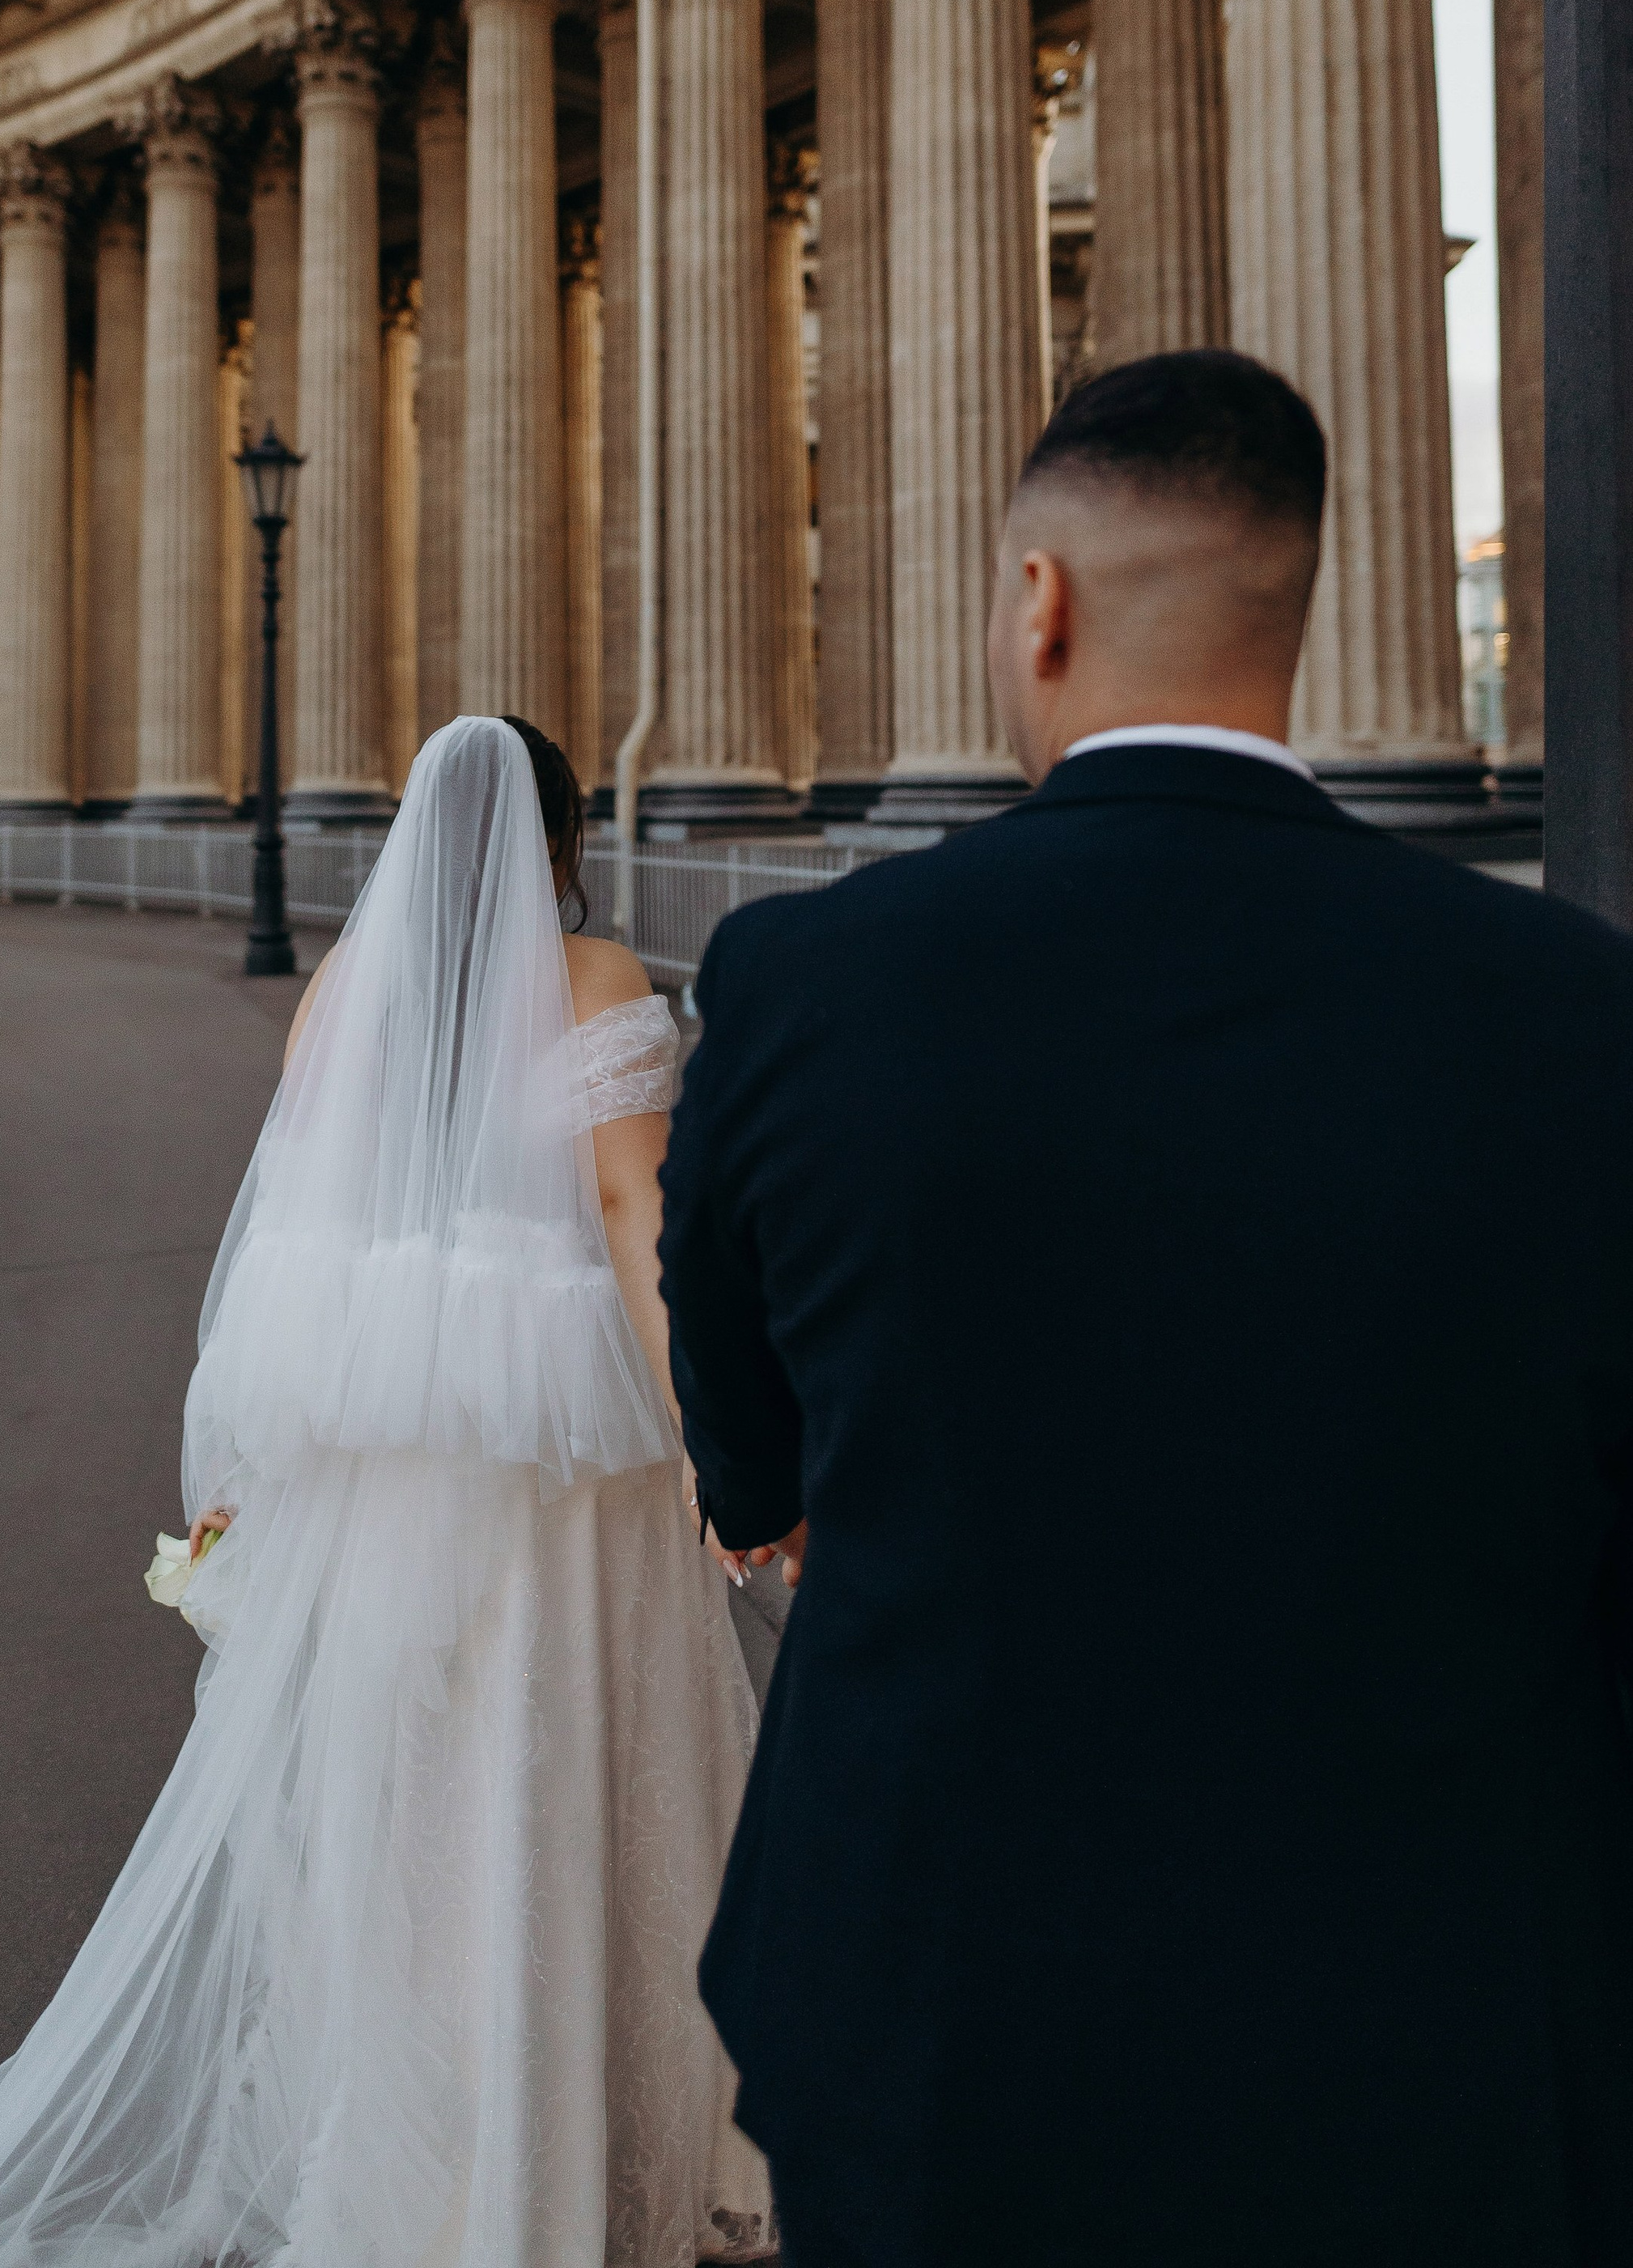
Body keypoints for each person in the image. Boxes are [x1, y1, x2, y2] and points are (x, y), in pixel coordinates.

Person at [660, 348, 1633, 2268]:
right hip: (1432, 2014)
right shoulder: (1566, 1006)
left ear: (1039, 604)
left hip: (935, 1992)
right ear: (1297, 608)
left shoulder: (808, 980)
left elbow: (745, 1437)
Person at [0, 714, 772, 2268]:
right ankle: (566, 2147)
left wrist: (250, 1484)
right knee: (556, 1776)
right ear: (558, 842)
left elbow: (284, 1231)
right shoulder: (593, 980)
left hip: (380, 1460)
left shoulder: (348, 994)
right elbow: (636, 1215)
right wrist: (708, 1432)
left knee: (406, 1813)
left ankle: (416, 2166)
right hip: (559, 1476)